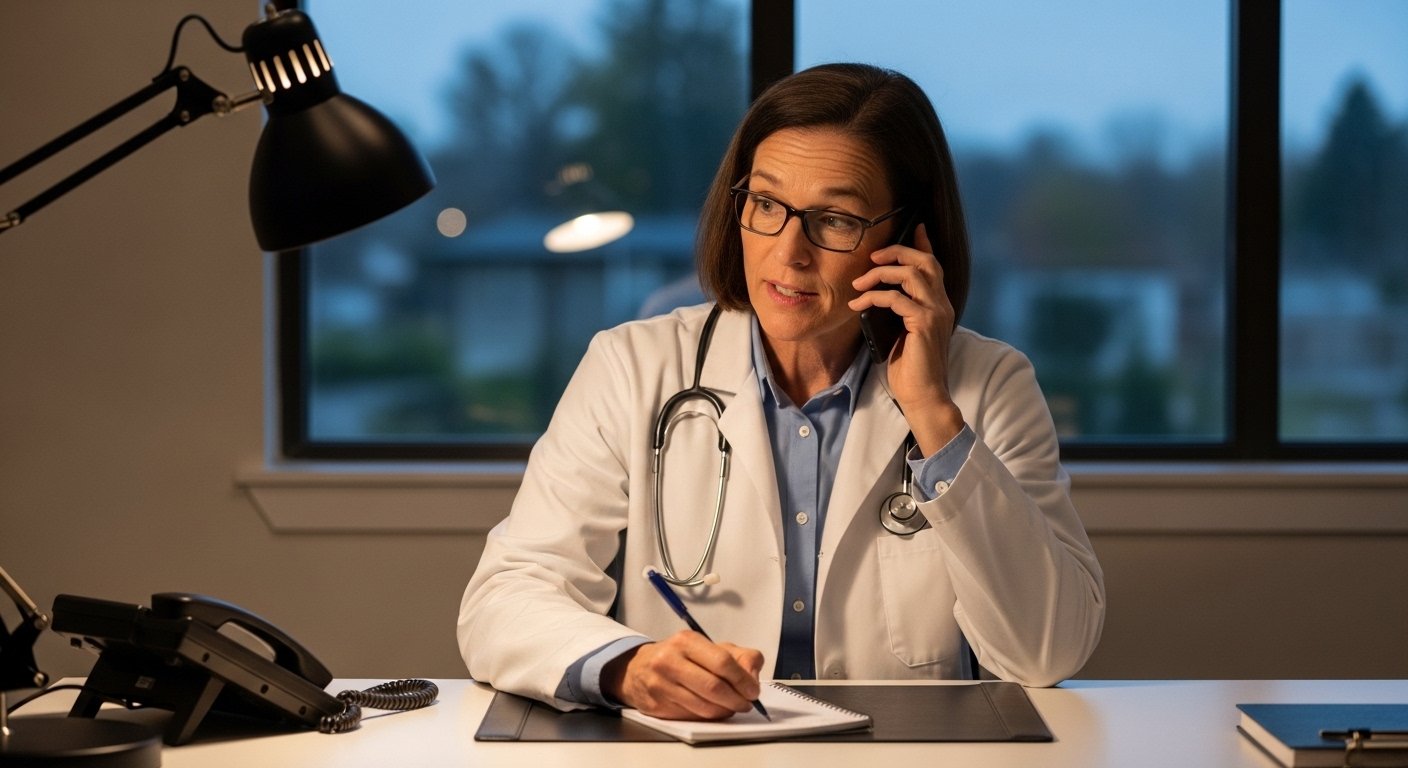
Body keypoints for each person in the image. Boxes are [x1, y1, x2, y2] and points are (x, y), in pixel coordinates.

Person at [458, 62, 1104, 721]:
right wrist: (629, 666)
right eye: (766, 204)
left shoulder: (990, 385)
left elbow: (1048, 650)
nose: (788, 252)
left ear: (910, 237)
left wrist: (936, 418)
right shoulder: (632, 365)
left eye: (835, 219)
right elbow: (505, 600)